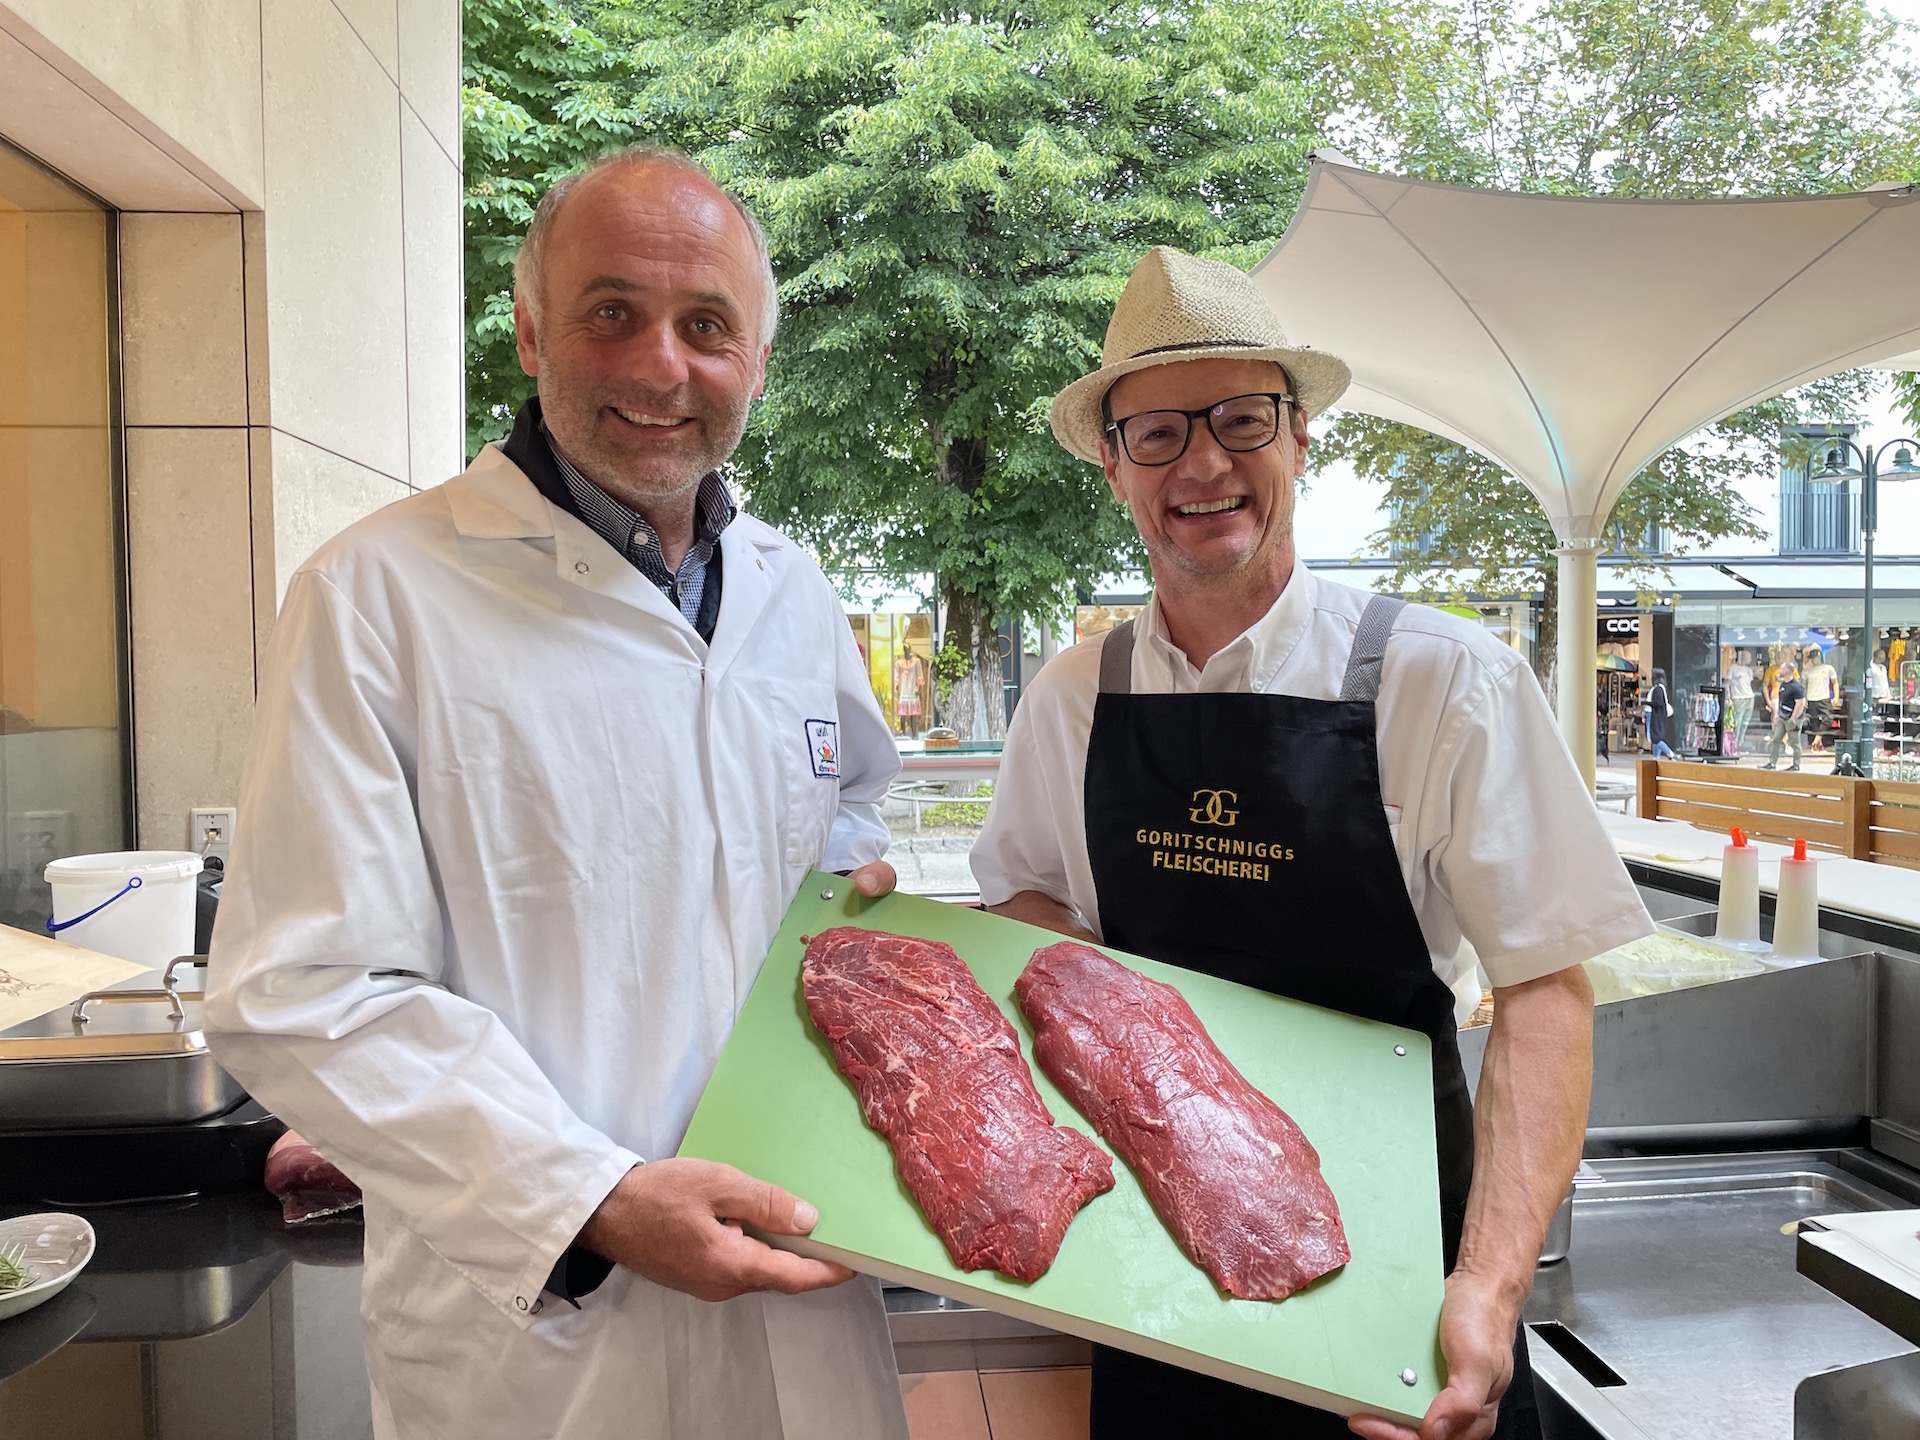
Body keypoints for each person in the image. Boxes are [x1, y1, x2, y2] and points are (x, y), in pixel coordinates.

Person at [205, 148, 909, 1440]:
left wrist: (854, 912)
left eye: (707, 326)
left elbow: (847, 825)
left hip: (809, 1290)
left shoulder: (793, 595)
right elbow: (301, 986)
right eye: (611, 312)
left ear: (757, 360)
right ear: (531, 330)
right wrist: (588, 1197)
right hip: (545, 1349)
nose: (659, 367)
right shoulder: (378, 599)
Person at [970, 247, 1653, 1440]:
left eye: (1244, 419)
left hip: (1406, 1279)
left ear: (1300, 440)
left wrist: (1487, 1288)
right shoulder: (1072, 696)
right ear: (1113, 468)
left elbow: (1546, 989)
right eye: (1159, 433)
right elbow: (1031, 917)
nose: (1206, 463)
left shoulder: (1448, 681)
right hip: (1157, 1257)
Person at [1766, 661, 1807, 771]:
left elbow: (1800, 704)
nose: (1780, 670)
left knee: (1794, 742)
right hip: (1782, 717)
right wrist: (1777, 714)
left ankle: (1796, 764)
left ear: (1788, 671)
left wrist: (1793, 719)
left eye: (1782, 669)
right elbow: (1781, 700)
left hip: (1793, 718)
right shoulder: (1783, 684)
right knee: (1776, 739)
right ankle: (1772, 763)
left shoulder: (1796, 687)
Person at [1802, 647, 1837, 751]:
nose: (1812, 660)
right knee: (1814, 721)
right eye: (1811, 658)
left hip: (1824, 697)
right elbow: (1803, 686)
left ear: (1819, 657)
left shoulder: (1828, 668)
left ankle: (1816, 740)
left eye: (1814, 657)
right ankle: (1818, 745)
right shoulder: (1806, 671)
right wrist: (1803, 698)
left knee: (1829, 718)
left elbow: (1835, 683)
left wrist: (1836, 696)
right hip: (1811, 698)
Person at [1725, 651, 1755, 758]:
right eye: (1749, 657)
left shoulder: (1749, 670)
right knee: (1737, 721)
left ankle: (1740, 742)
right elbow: (1727, 684)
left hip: (1749, 697)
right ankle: (1735, 743)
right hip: (1738, 698)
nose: (1750, 659)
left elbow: (1749, 683)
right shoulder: (1733, 668)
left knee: (1745, 722)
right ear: (1742, 657)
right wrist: (1728, 697)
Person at [1646, 667, 1676, 759]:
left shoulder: (1657, 689)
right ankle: (1656, 757)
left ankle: (1670, 753)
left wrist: (1645, 703)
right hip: (1658, 715)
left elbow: (1657, 703)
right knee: (1656, 737)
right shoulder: (1662, 688)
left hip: (1653, 715)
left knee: (1654, 738)